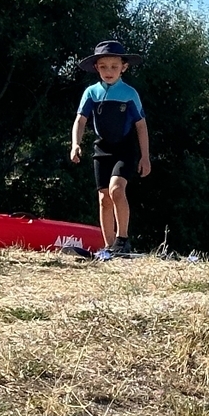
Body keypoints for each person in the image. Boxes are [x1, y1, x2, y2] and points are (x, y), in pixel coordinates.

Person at [70, 40, 151, 256]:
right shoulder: (91, 92)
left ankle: (122, 240)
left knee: (116, 189)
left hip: (125, 149)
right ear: (96, 67)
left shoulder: (130, 93)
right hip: (102, 149)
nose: (109, 71)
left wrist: (145, 157)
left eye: (114, 66)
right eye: (104, 66)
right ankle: (109, 247)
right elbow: (80, 120)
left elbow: (141, 126)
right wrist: (75, 144)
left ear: (124, 67)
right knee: (104, 197)